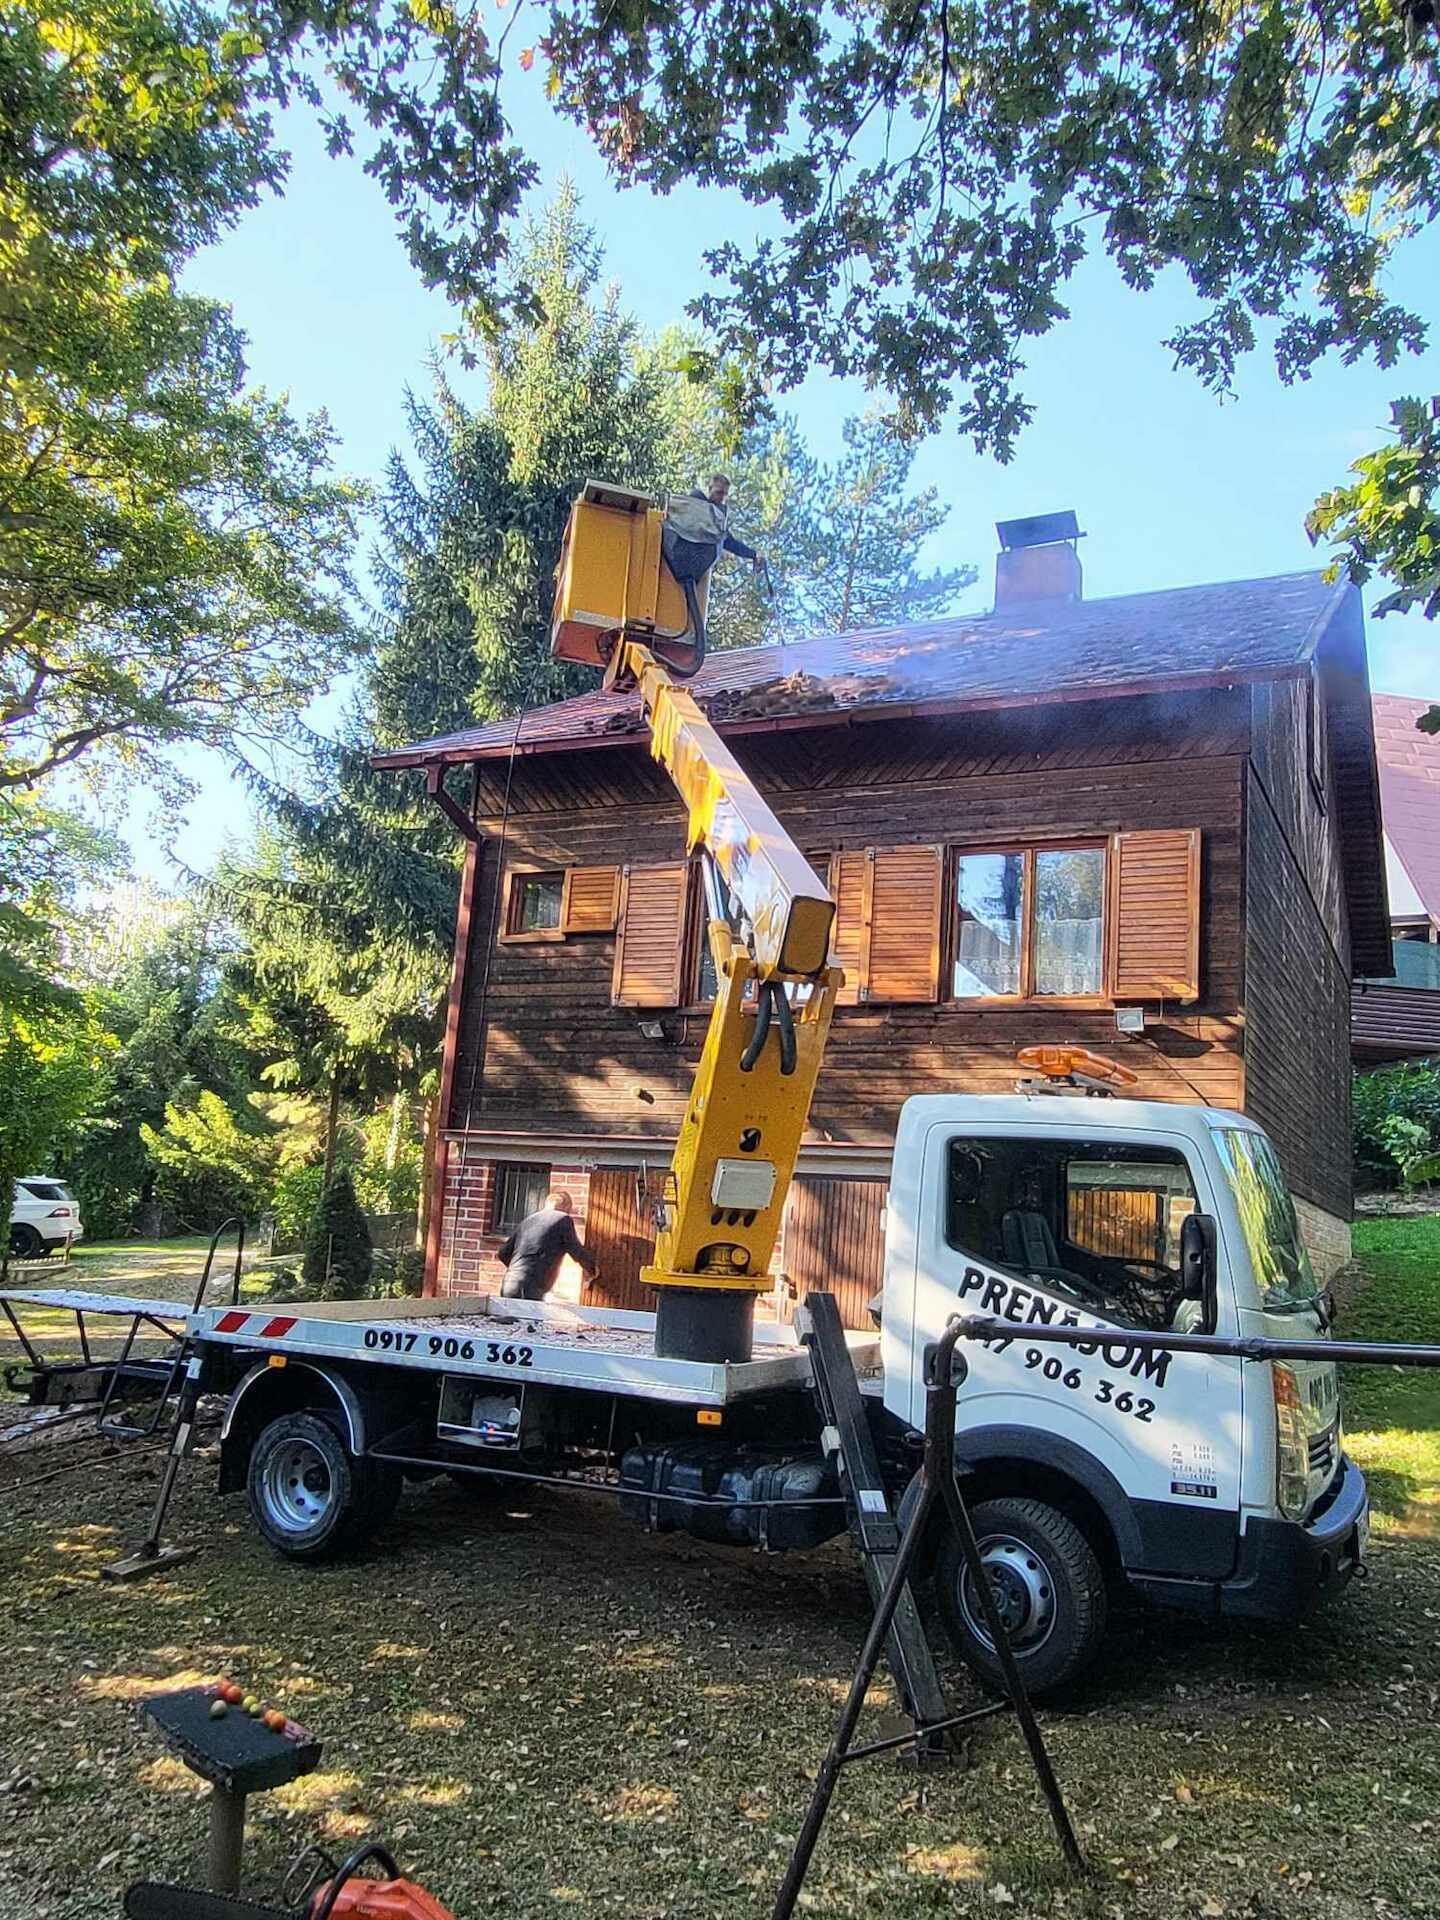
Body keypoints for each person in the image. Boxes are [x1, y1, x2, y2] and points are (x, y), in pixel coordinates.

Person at [496, 1190, 597, 1302]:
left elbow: (503, 1253)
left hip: (509, 1284)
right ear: (566, 1206)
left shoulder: (528, 1220)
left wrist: (518, 1271)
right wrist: (592, 1269)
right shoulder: (563, 1219)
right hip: (532, 1286)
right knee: (531, 1313)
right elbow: (575, 1250)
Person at [687, 473, 767, 577]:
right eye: (719, 492)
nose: (721, 497)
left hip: (698, 562)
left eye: (725, 494)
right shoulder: (697, 498)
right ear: (710, 488)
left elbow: (729, 542)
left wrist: (754, 554)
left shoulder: (718, 520)